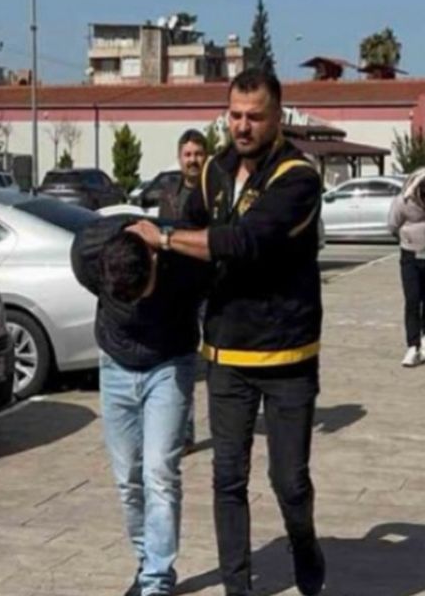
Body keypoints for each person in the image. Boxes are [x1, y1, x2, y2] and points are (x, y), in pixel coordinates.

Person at [127, 68, 326, 596]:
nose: (242, 126)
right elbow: (194, 228)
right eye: (235, 115)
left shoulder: (299, 178)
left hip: (288, 355)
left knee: (289, 482)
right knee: (227, 479)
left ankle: (304, 542)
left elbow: (242, 241)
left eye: (254, 117)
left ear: (277, 116)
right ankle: (238, 588)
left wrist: (163, 237)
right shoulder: (215, 170)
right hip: (226, 353)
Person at [71, 215, 209, 596]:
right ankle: (146, 561)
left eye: (142, 293)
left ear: (154, 260)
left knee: (160, 473)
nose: (136, 303)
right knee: (128, 477)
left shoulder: (183, 261)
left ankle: (156, 581)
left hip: (169, 363)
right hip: (115, 364)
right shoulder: (88, 252)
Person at [159, 129, 210, 452]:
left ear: (206, 156)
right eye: (188, 154)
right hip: (179, 289)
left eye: (198, 154)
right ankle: (184, 431)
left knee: (219, 359)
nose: (193, 160)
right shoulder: (169, 192)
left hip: (212, 286)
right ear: (180, 158)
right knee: (182, 360)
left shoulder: (216, 191)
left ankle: (229, 420)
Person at [387, 169, 425, 368]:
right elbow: (392, 225)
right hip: (411, 257)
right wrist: (408, 240)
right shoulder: (403, 202)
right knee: (412, 300)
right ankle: (413, 346)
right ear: (420, 195)